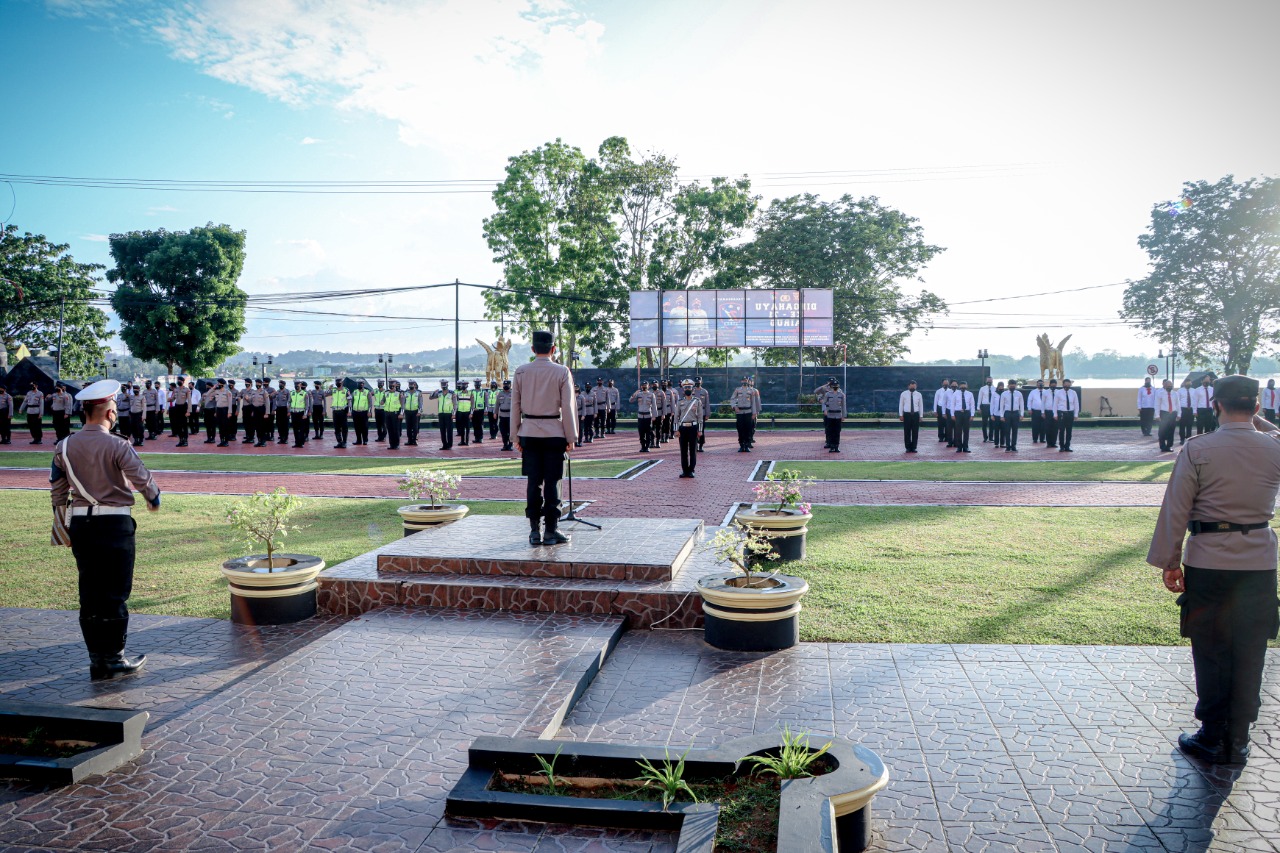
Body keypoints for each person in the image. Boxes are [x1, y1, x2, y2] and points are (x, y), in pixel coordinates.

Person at [1147, 375, 1280, 765]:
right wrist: (1262, 424)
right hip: (1258, 561)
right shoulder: (1273, 448)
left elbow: (1177, 508)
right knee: (1251, 648)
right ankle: (1238, 737)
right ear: (1257, 407)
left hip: (1208, 559)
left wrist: (1170, 561)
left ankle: (1212, 733)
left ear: (1214, 405)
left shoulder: (1198, 448)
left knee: (1210, 647)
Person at [50, 379, 161, 680]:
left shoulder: (64, 446)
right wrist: (153, 498)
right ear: (110, 413)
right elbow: (141, 477)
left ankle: (96, 659)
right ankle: (113, 660)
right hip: (114, 524)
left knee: (90, 591)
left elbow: (58, 491)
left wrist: (62, 529)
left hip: (81, 524)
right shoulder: (117, 444)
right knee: (114, 592)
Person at [511, 330, 577, 546]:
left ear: (533, 349)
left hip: (528, 432)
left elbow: (515, 407)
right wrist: (571, 435)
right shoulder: (561, 371)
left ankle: (533, 532)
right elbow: (567, 407)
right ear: (553, 349)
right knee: (553, 482)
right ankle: (550, 531)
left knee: (533, 482)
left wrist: (515, 436)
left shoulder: (521, 372)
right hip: (554, 433)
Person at [676, 379, 702, 477]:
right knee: (683, 450)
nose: (687, 389)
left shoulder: (697, 401)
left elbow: (700, 417)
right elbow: (676, 417)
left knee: (692, 450)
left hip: (693, 427)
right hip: (682, 428)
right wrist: (676, 429)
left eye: (689, 387)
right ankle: (685, 470)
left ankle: (691, 470)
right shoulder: (680, 402)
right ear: (683, 389)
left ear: (692, 389)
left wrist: (699, 430)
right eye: (686, 387)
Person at [820, 378, 846, 453]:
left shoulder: (841, 395)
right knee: (830, 431)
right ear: (831, 387)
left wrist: (843, 416)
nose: (835, 387)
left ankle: (836, 446)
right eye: (834, 385)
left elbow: (844, 406)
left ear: (838, 386)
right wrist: (825, 410)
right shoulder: (828, 394)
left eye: (836, 385)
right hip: (830, 415)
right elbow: (824, 402)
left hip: (838, 415)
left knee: (837, 431)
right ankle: (831, 446)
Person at [731, 376, 755, 452]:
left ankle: (747, 445)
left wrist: (754, 413)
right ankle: (741, 445)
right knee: (740, 429)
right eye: (744, 380)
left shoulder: (751, 390)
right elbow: (732, 398)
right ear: (741, 381)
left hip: (748, 411)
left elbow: (753, 402)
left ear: (748, 381)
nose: (745, 381)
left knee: (748, 429)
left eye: (746, 380)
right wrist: (734, 406)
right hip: (740, 412)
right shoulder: (738, 390)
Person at [631, 381, 656, 452]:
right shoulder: (638, 394)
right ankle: (642, 446)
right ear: (641, 386)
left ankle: (647, 446)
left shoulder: (651, 395)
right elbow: (631, 400)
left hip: (648, 416)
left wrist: (654, 415)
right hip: (640, 416)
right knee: (641, 432)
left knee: (648, 432)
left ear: (648, 386)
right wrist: (635, 394)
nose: (644, 386)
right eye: (643, 385)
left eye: (645, 385)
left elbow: (654, 406)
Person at [429, 379, 455, 450]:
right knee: (442, 430)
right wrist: (434, 392)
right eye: (442, 384)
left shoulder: (452, 393)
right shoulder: (439, 393)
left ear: (447, 384)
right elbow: (430, 398)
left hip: (449, 414)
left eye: (444, 384)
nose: (443, 386)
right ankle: (444, 444)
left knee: (449, 430)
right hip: (441, 413)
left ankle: (449, 445)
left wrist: (453, 414)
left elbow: (455, 404)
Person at [1056, 378, 1080, 452]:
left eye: (1068, 384)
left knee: (1069, 431)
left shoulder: (1073, 393)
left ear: (1070, 385)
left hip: (1070, 413)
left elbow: (1076, 404)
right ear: (1063, 384)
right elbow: (1055, 404)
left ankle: (1067, 446)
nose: (1067, 386)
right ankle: (1061, 446)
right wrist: (1055, 414)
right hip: (1062, 413)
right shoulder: (1058, 393)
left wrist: (1076, 414)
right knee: (1061, 431)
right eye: (1065, 384)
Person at [898, 379, 922, 453]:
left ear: (916, 386)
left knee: (915, 432)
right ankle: (908, 447)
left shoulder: (919, 394)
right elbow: (901, 405)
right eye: (911, 387)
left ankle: (914, 447)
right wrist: (901, 415)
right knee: (907, 431)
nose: (913, 388)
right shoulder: (903, 394)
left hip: (915, 414)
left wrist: (921, 416)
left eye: (914, 387)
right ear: (908, 386)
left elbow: (920, 405)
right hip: (907, 414)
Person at [1156, 378, 1178, 453]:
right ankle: (1162, 446)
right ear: (1164, 386)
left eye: (1171, 385)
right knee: (1162, 430)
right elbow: (1157, 405)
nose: (1170, 387)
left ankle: (1169, 446)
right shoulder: (1160, 394)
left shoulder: (1175, 393)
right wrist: (1157, 415)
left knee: (1171, 430)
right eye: (1168, 385)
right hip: (1164, 413)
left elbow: (1178, 404)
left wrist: (1179, 414)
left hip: (1173, 413)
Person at [1001, 381, 1024, 452]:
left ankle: (1013, 446)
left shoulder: (1019, 394)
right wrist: (1001, 416)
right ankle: (1007, 446)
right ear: (1008, 386)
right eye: (1011, 385)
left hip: (1015, 413)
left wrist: (1022, 414)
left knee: (1015, 430)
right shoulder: (1004, 394)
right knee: (1007, 430)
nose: (1012, 386)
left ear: (1016, 385)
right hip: (1007, 413)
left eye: (1013, 385)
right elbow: (1001, 405)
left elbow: (1022, 405)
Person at [953, 381, 974, 453]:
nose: (963, 387)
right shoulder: (955, 394)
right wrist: (952, 414)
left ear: (967, 386)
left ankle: (965, 447)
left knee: (966, 431)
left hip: (967, 413)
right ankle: (959, 447)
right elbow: (952, 404)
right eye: (961, 386)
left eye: (964, 386)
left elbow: (972, 405)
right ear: (959, 386)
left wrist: (972, 415)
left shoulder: (970, 394)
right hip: (958, 413)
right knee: (958, 431)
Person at [330, 380, 351, 449]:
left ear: (342, 383)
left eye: (339, 382)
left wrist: (349, 411)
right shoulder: (333, 390)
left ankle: (344, 442)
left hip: (343, 411)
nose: (337, 383)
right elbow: (325, 394)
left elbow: (349, 401)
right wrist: (329, 388)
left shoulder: (346, 390)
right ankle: (339, 442)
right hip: (335, 411)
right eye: (336, 382)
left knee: (344, 428)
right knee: (336, 428)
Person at [352, 380, 373, 446]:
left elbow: (370, 403)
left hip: (364, 412)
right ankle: (358, 440)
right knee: (357, 427)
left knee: (364, 427)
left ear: (363, 384)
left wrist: (369, 411)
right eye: (358, 383)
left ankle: (365, 440)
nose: (359, 385)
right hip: (355, 412)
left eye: (360, 384)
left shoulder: (367, 392)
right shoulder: (355, 392)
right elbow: (351, 401)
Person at [384, 380, 404, 450]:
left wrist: (401, 413)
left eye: (392, 383)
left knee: (395, 429)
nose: (391, 384)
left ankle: (396, 444)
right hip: (387, 413)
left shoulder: (399, 393)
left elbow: (402, 404)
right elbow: (383, 401)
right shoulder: (386, 393)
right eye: (389, 383)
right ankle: (391, 444)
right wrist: (382, 401)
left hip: (395, 413)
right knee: (390, 429)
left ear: (396, 384)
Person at [692, 377, 710, 451]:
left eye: (699, 382)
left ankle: (701, 445)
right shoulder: (691, 391)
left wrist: (707, 414)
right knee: (693, 430)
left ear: (701, 382)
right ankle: (694, 444)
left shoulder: (704, 391)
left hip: (702, 413)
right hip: (693, 413)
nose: (697, 383)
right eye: (696, 382)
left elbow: (707, 403)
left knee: (701, 429)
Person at [1027, 380, 1046, 444]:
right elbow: (1029, 401)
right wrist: (1029, 409)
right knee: (1035, 425)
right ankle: (1035, 439)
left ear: (1044, 384)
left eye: (1042, 384)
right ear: (1037, 384)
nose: (1040, 385)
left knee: (1043, 426)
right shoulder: (1033, 392)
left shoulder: (1046, 392)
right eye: (1039, 384)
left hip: (1044, 412)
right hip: (1035, 411)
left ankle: (1042, 439)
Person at [454, 379, 472, 446]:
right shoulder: (458, 393)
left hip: (467, 412)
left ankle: (467, 441)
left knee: (467, 427)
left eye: (465, 385)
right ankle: (462, 441)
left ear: (467, 385)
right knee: (461, 427)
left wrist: (471, 413)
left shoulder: (470, 393)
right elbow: (455, 403)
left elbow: (472, 404)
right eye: (463, 385)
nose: (463, 386)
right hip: (460, 412)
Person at [273, 380, 291, 445]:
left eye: (281, 384)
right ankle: (281, 437)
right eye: (279, 384)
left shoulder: (287, 392)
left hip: (285, 409)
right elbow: (274, 399)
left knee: (285, 424)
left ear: (284, 385)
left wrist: (289, 411)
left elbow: (289, 402)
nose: (280, 385)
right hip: (278, 409)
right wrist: (274, 409)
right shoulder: (277, 392)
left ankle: (285, 438)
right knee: (279, 424)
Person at [496, 379, 513, 451]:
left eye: (507, 385)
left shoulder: (513, 393)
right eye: (504, 385)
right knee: (503, 431)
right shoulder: (500, 393)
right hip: (502, 415)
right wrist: (495, 412)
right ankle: (505, 444)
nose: (505, 386)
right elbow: (497, 404)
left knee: (510, 431)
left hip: (510, 416)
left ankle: (510, 445)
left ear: (510, 385)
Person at [1043, 378, 1060, 448]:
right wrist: (1042, 412)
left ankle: (1054, 442)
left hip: (1056, 412)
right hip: (1048, 412)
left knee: (1055, 428)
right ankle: (1048, 443)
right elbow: (1042, 403)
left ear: (1056, 385)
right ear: (1049, 385)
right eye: (1052, 385)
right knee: (1048, 428)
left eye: (1054, 385)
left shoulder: (1059, 392)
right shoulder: (1045, 392)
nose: (1053, 386)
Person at [404, 380, 421, 446]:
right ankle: (409, 440)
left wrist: (419, 411)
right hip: (407, 411)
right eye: (409, 384)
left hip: (415, 411)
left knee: (415, 427)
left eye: (412, 384)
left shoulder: (418, 393)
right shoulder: (406, 393)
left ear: (414, 385)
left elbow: (420, 403)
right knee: (408, 426)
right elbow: (403, 402)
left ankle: (414, 440)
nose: (411, 385)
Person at [977, 377, 995, 443]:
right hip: (985, 406)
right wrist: (978, 408)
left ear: (992, 381)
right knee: (984, 423)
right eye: (988, 381)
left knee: (992, 423)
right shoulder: (982, 388)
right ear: (986, 381)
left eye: (990, 381)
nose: (989, 382)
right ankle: (985, 437)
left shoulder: (994, 388)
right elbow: (979, 398)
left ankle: (991, 437)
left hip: (992, 407)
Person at [1178, 377, 1195, 445]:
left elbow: (1195, 400)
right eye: (1187, 383)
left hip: (1191, 409)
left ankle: (1188, 438)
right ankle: (1182, 439)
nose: (1188, 384)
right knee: (1182, 425)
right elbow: (1177, 401)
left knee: (1189, 425)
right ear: (1184, 383)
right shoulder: (1180, 391)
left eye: (1190, 383)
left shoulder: (1194, 390)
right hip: (1183, 409)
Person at [990, 379, 1007, 448]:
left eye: (1002, 386)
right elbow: (992, 405)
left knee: (1003, 429)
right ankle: (996, 443)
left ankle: (1002, 443)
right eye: (1000, 386)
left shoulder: (1005, 394)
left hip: (1003, 415)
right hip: (996, 414)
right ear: (997, 386)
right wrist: (991, 414)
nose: (1001, 387)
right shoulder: (994, 394)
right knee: (996, 430)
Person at [933, 378, 950, 442]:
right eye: (944, 383)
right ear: (942, 384)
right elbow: (935, 401)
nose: (946, 384)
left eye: (947, 383)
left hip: (947, 409)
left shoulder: (950, 391)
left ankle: (947, 437)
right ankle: (941, 437)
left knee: (948, 424)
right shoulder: (938, 391)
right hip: (939, 409)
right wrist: (935, 410)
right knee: (940, 424)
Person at [471, 377, 486, 444]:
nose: (477, 384)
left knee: (480, 424)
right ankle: (476, 438)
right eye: (476, 383)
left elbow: (486, 402)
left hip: (480, 410)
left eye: (478, 383)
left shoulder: (483, 392)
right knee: (475, 424)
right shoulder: (472, 392)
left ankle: (480, 438)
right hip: (474, 410)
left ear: (480, 384)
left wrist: (486, 409)